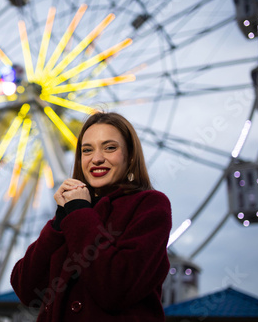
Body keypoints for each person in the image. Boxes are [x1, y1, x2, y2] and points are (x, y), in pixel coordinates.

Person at [10, 112, 172, 321]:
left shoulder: (149, 205)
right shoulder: (75, 214)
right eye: (87, 150)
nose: (96, 158)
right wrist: (59, 222)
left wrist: (78, 212)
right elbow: (27, 290)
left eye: (110, 147)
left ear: (130, 155)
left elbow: (115, 288)